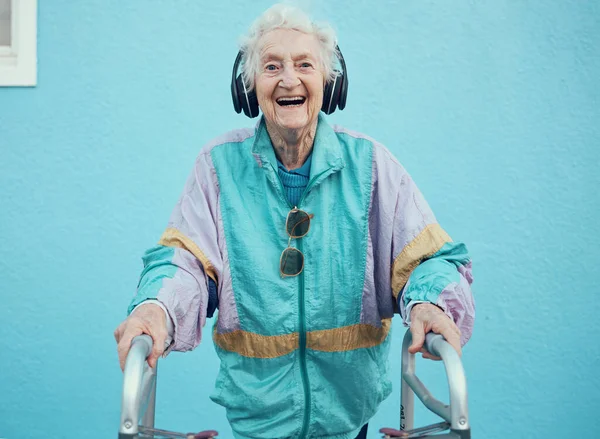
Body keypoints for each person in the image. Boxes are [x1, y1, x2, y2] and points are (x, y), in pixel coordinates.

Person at [114, 4, 475, 439]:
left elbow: (427, 259)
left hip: (348, 417)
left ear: (329, 81)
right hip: (255, 418)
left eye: (304, 64)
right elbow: (186, 264)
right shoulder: (217, 167)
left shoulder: (371, 165)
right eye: (271, 66)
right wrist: (156, 309)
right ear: (248, 88)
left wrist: (431, 303)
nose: (289, 79)